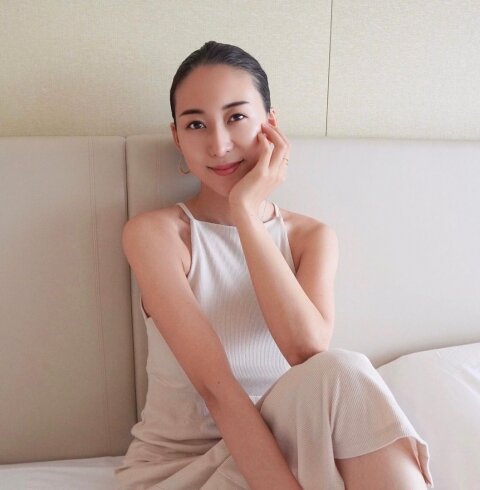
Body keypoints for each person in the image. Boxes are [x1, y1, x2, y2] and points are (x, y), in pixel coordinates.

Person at [114, 41, 433, 490]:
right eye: (196, 124)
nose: (219, 144)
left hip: (291, 450)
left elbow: (306, 350)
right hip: (186, 469)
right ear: (177, 137)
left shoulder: (310, 238)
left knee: (344, 370)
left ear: (270, 125)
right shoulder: (157, 235)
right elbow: (216, 389)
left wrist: (246, 214)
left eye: (236, 117)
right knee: (342, 373)